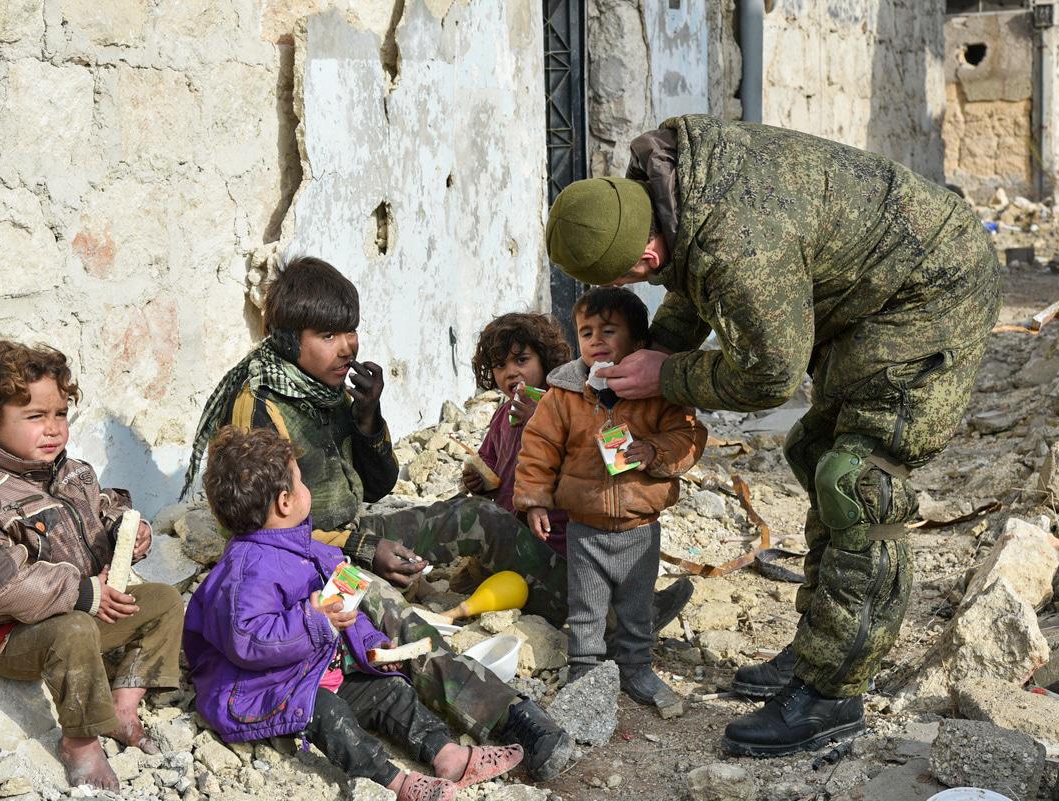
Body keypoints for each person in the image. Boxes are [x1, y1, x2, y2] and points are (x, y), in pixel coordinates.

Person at [544, 114, 1001, 756]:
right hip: (876, 289)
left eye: (630, 282)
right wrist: (650, 355)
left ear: (644, 255)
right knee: (814, 451)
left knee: (858, 483)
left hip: (931, 292)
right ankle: (818, 647)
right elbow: (696, 280)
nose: (637, 287)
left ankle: (832, 692)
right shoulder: (666, 190)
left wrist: (667, 374)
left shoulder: (738, 239)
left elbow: (767, 374)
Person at [182, 257, 572, 780]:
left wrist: (368, 419)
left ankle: (585, 608)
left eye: (351, 329)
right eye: (328, 334)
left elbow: (380, 485)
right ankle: (510, 717)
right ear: (287, 338)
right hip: (304, 559)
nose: (348, 345)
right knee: (384, 611)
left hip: (354, 531)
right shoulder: (260, 404)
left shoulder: (329, 388)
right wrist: (363, 552)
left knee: (477, 517)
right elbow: (255, 530)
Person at [183, 427, 524, 801]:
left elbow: (345, 610)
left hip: (319, 668)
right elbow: (248, 640)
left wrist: (370, 643)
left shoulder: (308, 549)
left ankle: (450, 756)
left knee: (391, 692)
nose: (306, 487)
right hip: (269, 689)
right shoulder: (246, 572)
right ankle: (395, 783)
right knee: (331, 716)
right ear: (284, 502)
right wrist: (312, 622)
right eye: (301, 480)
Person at [0, 341, 184, 790]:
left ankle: (123, 706)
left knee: (164, 600)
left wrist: (130, 532)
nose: (53, 429)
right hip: (7, 637)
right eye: (35, 417)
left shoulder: (72, 473)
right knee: (75, 630)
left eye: (60, 415)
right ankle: (81, 740)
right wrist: (85, 592)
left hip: (80, 610)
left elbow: (103, 511)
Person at [514, 288, 707, 715]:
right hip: (585, 526)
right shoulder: (564, 394)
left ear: (637, 343)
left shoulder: (658, 393)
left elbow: (689, 436)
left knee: (636, 607)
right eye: (586, 331)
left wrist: (654, 450)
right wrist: (535, 501)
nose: (596, 339)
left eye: (609, 330)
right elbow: (539, 448)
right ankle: (584, 670)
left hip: (640, 527)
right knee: (586, 608)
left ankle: (636, 668)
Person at [463, 311, 694, 629]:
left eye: (521, 360)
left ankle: (636, 612)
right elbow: (491, 465)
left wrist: (545, 423)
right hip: (517, 537)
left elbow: (603, 464)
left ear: (544, 360)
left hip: (567, 541)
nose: (510, 372)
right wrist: (479, 479)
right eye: (500, 365)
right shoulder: (502, 417)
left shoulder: (567, 405)